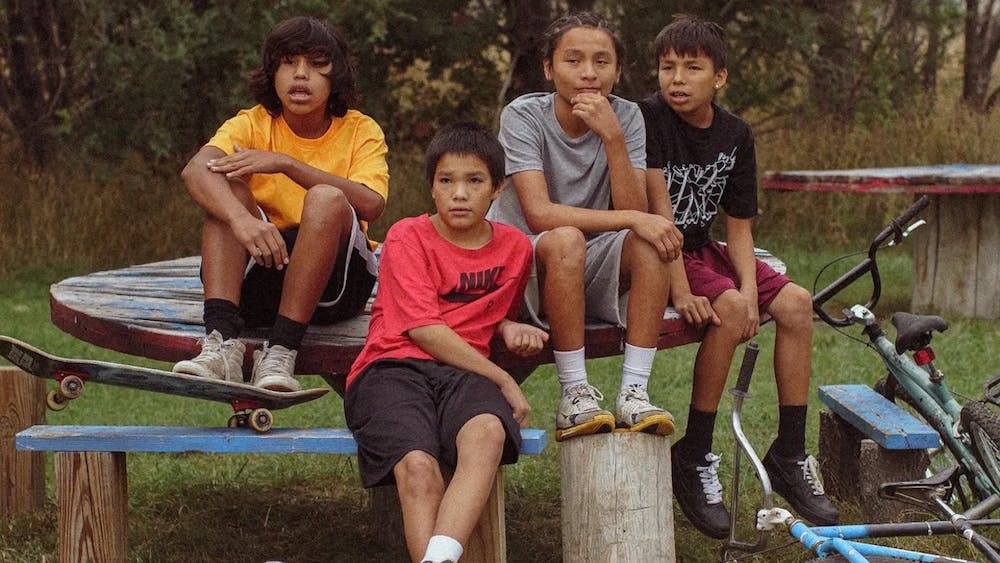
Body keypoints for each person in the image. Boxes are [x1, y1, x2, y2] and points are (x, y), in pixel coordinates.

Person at [639, 15, 839, 538]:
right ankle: (695, 451)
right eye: (667, 67)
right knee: (727, 308)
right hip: (656, 250)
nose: (676, 79)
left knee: (795, 303)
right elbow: (657, 216)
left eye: (692, 68)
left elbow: (740, 226)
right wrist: (700, 292)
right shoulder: (647, 119)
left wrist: (753, 291)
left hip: (707, 247)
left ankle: (790, 451)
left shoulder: (734, 134)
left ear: (720, 77)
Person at [344, 123, 548, 563]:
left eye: (474, 181)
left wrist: (506, 326)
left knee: (488, 433)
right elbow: (424, 328)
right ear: (432, 189)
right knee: (419, 468)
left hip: (462, 372)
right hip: (391, 368)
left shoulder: (515, 247)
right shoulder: (407, 235)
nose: (459, 194)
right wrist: (505, 380)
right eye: (446, 181)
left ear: (497, 189)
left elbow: (483, 312)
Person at [487, 12, 683, 442]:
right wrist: (634, 217)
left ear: (618, 70)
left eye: (601, 62)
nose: (588, 74)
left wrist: (612, 137)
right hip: (522, 266)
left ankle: (634, 391)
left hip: (585, 262)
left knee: (649, 242)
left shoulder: (627, 118)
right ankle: (574, 392)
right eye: (573, 61)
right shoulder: (523, 116)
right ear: (548, 68)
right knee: (565, 238)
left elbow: (635, 211)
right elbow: (538, 213)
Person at [172, 16, 389, 392]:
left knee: (325, 198)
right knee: (224, 188)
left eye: (315, 64)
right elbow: (195, 171)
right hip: (266, 269)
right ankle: (221, 343)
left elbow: (371, 204)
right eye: (289, 63)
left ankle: (282, 350)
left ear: (335, 75)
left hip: (335, 287)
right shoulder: (252, 122)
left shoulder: (360, 129)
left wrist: (287, 164)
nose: (300, 75)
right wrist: (241, 220)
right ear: (272, 73)